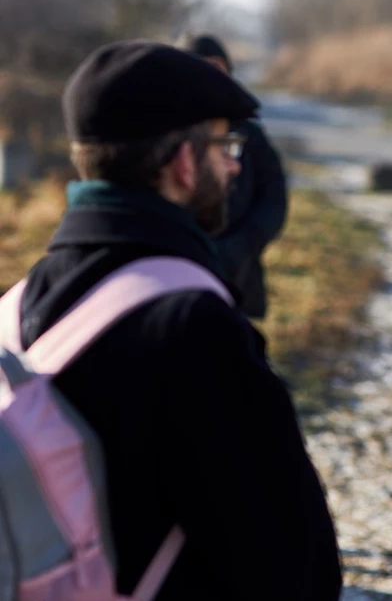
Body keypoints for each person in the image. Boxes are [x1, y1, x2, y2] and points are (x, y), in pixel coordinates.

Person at [15, 41, 342, 599]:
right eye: (224, 144)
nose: (234, 162)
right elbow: (297, 569)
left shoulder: (17, 305)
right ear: (184, 164)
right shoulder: (195, 329)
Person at [180, 32, 288, 319]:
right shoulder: (168, 139)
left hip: (242, 273)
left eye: (219, 69)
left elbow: (274, 196)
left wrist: (241, 245)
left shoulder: (250, 133)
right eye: (201, 69)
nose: (233, 165)